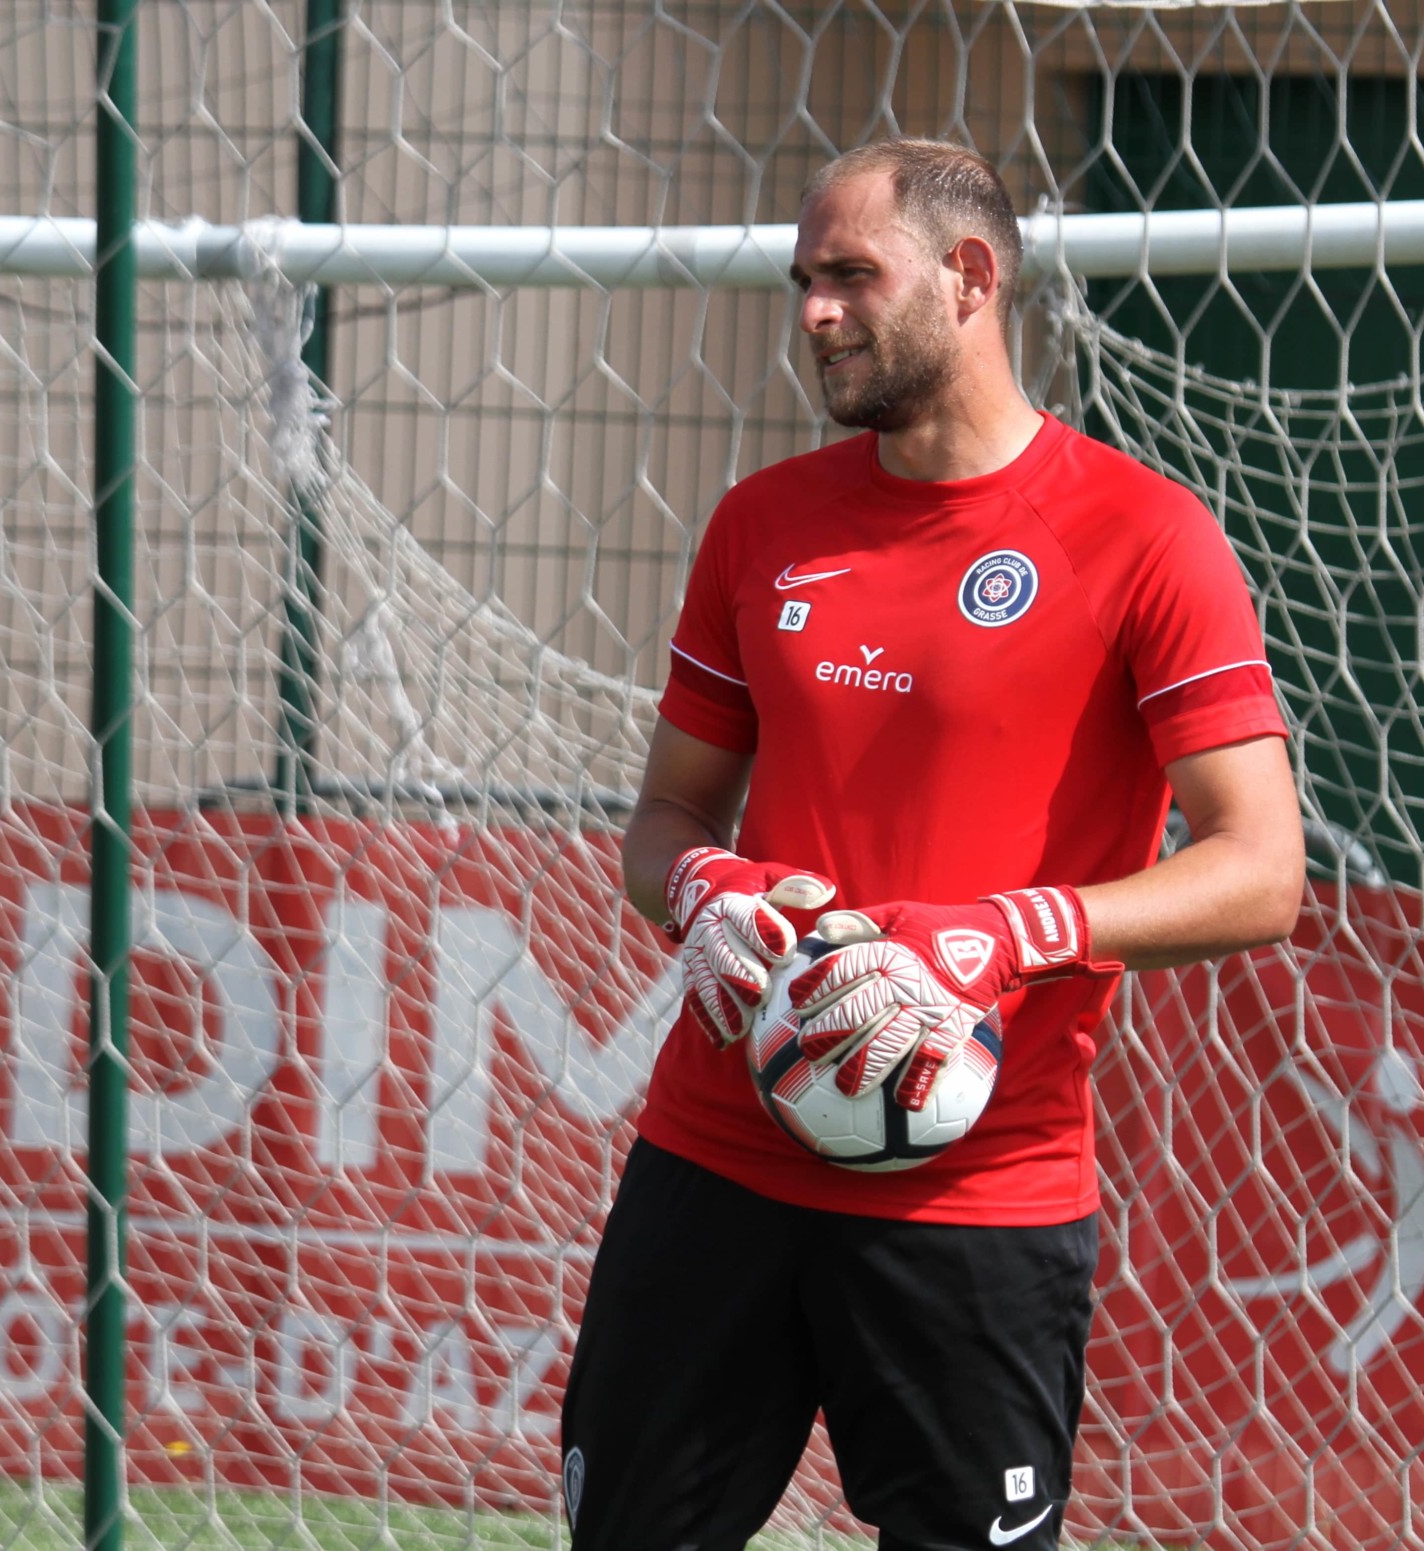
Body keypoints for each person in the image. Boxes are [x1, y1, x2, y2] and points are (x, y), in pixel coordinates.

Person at [558, 138, 1306, 1551]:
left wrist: (1008, 932)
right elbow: (663, 827)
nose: (814, 313)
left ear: (973, 279)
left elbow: (1262, 870)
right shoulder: (761, 527)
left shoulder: (1146, 540)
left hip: (979, 1186)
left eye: (850, 277)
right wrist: (701, 885)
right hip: (718, 1154)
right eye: (804, 282)